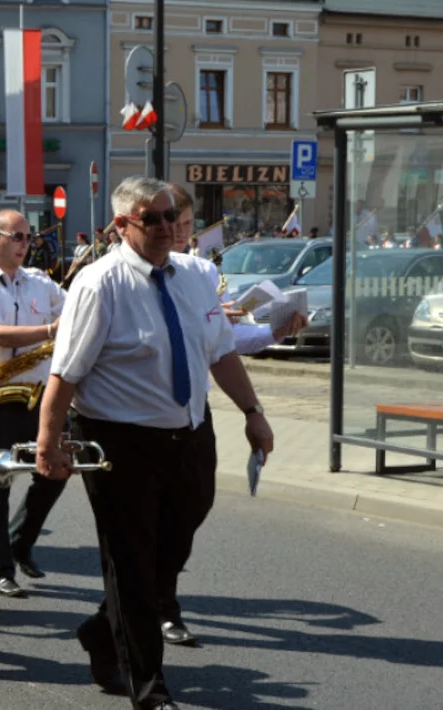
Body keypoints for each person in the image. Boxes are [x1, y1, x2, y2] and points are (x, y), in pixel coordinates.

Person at [37, 176, 273, 710]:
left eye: (172, 216)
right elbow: (65, 372)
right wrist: (49, 442)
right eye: (154, 219)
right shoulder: (98, 283)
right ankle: (149, 688)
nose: (169, 227)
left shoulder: (196, 274)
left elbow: (220, 351)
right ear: (122, 226)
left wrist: (253, 413)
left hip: (191, 434)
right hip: (120, 443)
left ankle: (102, 629)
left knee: (171, 548)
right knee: (131, 563)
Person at [156, 185, 306, 647]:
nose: (179, 235)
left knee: (192, 507)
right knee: (141, 522)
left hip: (191, 414)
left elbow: (225, 346)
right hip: (136, 419)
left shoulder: (201, 272)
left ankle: (153, 590)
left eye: (185, 226)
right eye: (171, 225)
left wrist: (273, 331)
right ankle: (157, 606)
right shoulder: (117, 275)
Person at [0, 209, 66, 598]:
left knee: (55, 470)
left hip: (41, 392)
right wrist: (51, 330)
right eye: (17, 236)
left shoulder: (39, 281)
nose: (26, 244)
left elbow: (74, 310)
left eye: (28, 236)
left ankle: (20, 542)